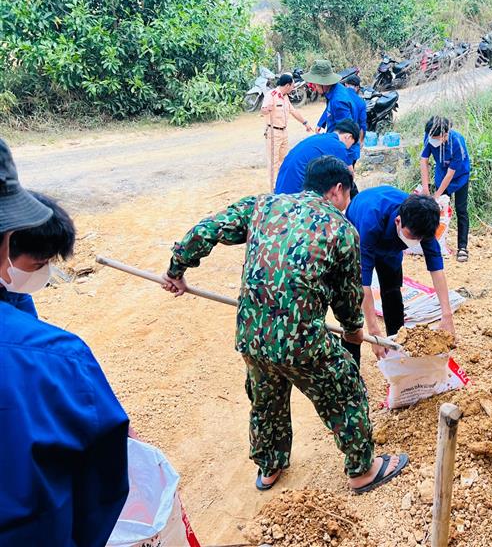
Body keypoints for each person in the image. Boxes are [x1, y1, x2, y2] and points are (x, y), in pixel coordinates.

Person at [161, 156, 408, 493]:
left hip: (252, 336)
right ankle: (362, 471)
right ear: (337, 189)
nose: (346, 204)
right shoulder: (341, 229)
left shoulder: (263, 206)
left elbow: (208, 229)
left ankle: (269, 467)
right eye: (347, 196)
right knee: (346, 392)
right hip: (301, 341)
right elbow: (348, 296)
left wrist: (176, 270)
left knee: (267, 399)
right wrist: (353, 330)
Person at [0, 138, 130, 545]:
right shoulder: (58, 360)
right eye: (38, 264)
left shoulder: (21, 310)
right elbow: (101, 488)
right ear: (6, 241)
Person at [344, 187, 457, 366]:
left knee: (392, 291)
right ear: (398, 221)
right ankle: (350, 370)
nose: (417, 242)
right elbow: (362, 282)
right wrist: (374, 332)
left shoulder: (423, 222)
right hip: (358, 232)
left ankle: (397, 346)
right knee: (351, 304)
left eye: (421, 239)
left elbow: (436, 268)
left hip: (391, 247)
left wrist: (447, 314)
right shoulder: (370, 221)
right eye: (413, 236)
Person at [2, 192, 76, 317]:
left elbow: (28, 321)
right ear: (4, 251)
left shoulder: (14, 291)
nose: (44, 270)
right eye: (38, 264)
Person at [419, 116, 471, 263]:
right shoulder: (429, 136)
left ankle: (462, 247)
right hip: (441, 174)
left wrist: (437, 194)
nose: (433, 141)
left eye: (437, 138)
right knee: (436, 209)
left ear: (445, 135)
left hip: (459, 177)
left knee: (461, 210)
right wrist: (426, 189)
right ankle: (434, 242)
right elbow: (424, 160)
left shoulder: (457, 143)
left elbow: (451, 174)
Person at [274, 119, 360, 195]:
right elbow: (349, 175)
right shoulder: (338, 146)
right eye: (351, 144)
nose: (348, 148)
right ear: (348, 136)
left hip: (280, 188)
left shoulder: (319, 138)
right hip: (295, 194)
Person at [260, 73, 313, 169]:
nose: (293, 88)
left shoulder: (285, 97)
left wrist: (305, 123)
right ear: (287, 85)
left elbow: (293, 111)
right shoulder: (271, 95)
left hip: (284, 132)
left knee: (284, 161)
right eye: (292, 86)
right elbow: (263, 110)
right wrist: (267, 109)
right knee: (273, 163)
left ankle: (281, 183)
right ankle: (274, 184)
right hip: (273, 133)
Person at [304, 60, 357, 134]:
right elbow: (329, 108)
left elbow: (346, 133)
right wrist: (321, 123)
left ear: (324, 83)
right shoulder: (333, 89)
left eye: (314, 85)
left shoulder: (338, 101)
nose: (313, 88)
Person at [343, 75, 367, 168]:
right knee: (350, 170)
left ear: (345, 84)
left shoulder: (339, 96)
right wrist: (361, 141)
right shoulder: (360, 102)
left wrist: (320, 124)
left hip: (337, 140)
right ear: (357, 88)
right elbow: (362, 125)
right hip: (352, 142)